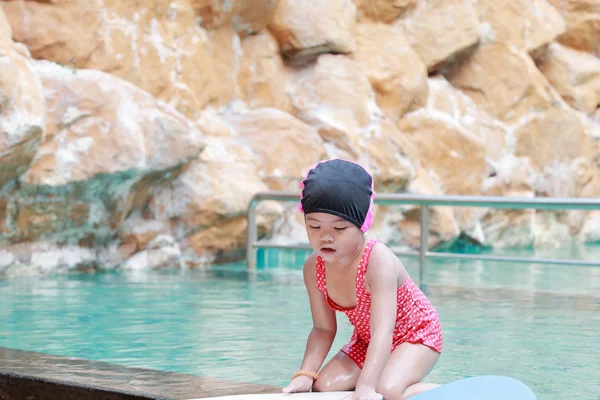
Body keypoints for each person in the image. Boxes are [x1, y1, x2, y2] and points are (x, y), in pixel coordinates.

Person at [282, 158, 443, 400]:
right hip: (368, 340)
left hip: (415, 335)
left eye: (339, 229)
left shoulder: (377, 261)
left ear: (362, 225)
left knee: (386, 391)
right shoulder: (313, 268)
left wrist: (366, 387)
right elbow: (323, 328)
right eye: (314, 226)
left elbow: (383, 330)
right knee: (324, 386)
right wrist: (305, 374)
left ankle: (447, 393)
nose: (326, 237)